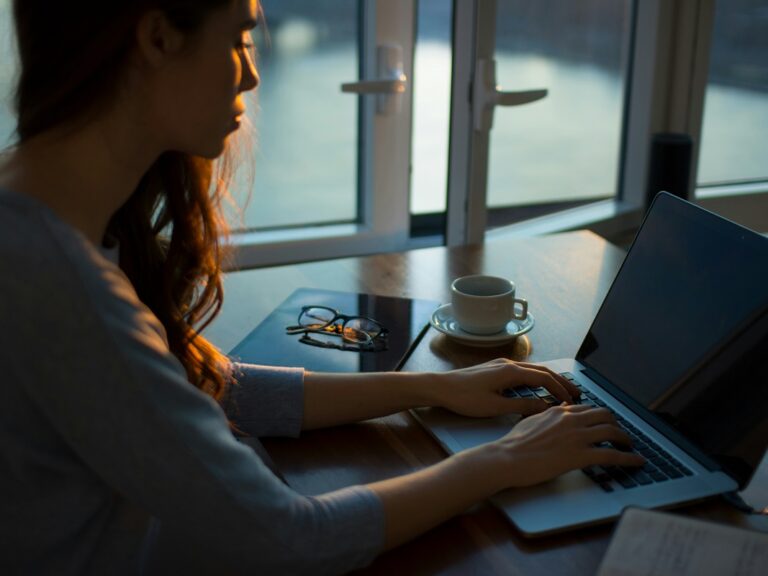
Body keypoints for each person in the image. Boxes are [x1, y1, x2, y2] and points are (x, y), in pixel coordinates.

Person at [0, 1, 644, 574]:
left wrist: (430, 388)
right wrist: (501, 462)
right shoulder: (64, 289)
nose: (250, 74)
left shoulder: (34, 220)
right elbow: (290, 538)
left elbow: (190, 389)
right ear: (158, 38)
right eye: (241, 38)